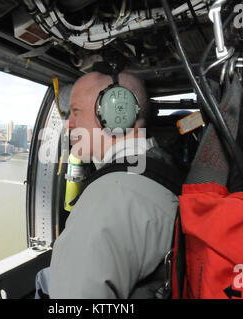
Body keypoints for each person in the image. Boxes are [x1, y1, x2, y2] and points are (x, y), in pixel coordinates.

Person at [40, 71, 181, 298]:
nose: (68, 124)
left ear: (117, 112)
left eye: (76, 111)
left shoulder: (109, 197)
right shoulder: (159, 164)